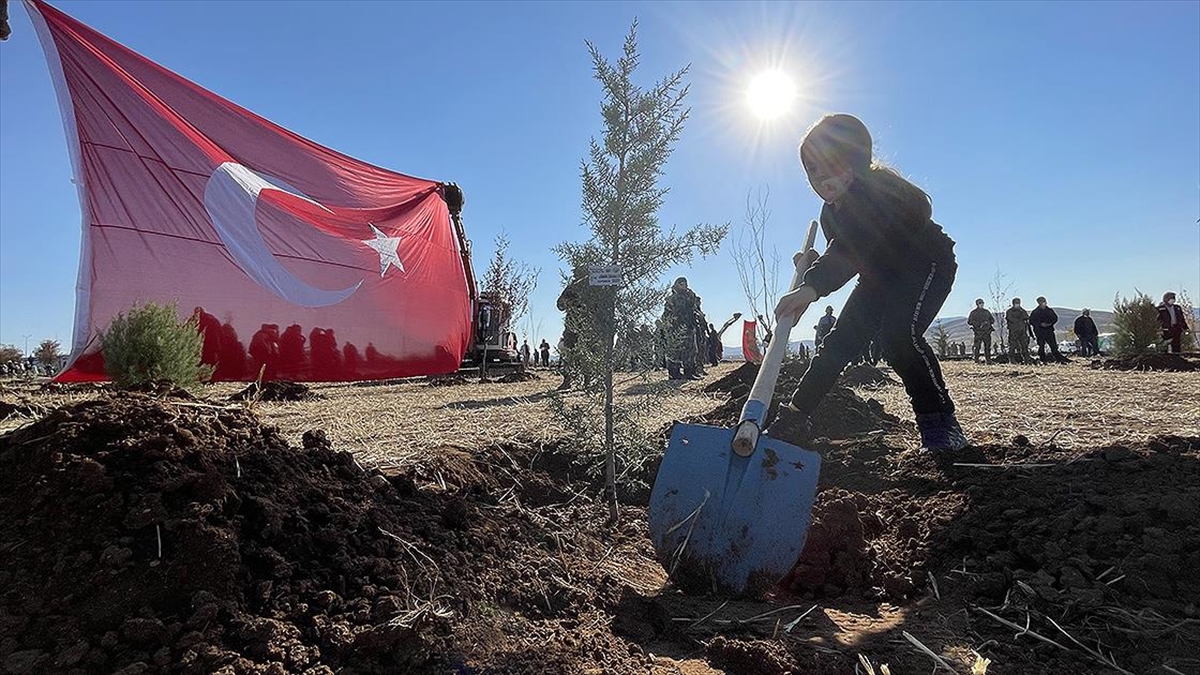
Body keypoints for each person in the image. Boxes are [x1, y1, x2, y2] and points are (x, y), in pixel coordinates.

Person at [771, 114, 967, 451]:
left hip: (924, 265)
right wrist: (812, 267)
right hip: (877, 277)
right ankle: (793, 419)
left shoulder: (879, 189)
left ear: (855, 160)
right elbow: (844, 254)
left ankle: (940, 423)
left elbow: (854, 245)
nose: (820, 177)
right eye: (812, 170)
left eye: (829, 164)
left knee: (898, 337)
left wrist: (813, 285)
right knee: (837, 344)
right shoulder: (830, 213)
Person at [663, 277, 702, 379]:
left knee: (691, 350)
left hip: (689, 327)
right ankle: (674, 373)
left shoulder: (689, 297)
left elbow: (694, 307)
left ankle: (690, 371)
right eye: (681, 284)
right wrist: (669, 326)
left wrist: (691, 295)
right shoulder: (672, 299)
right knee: (675, 350)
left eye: (685, 284)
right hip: (676, 329)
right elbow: (666, 315)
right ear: (676, 285)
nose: (684, 286)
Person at [1029, 297, 1069, 363]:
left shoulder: (1049, 311)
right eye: (1041, 302)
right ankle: (1043, 359)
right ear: (1039, 303)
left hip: (1049, 331)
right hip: (1040, 332)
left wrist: (1049, 323)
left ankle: (1059, 358)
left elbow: (1055, 318)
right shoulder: (1035, 312)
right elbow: (1031, 321)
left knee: (1053, 346)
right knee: (1041, 346)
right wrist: (1040, 324)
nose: (1043, 303)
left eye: (1044, 301)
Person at [1005, 298, 1033, 365]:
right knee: (1012, 346)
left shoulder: (1022, 311)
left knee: (1024, 346)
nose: (1017, 304)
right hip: (1013, 332)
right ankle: (1012, 359)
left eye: (1018, 303)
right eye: (1016, 303)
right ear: (1013, 303)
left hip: (1022, 332)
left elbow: (1027, 317)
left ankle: (1026, 360)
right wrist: (1020, 319)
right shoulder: (1010, 311)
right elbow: (1010, 319)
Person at [967, 298, 995, 364]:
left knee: (987, 347)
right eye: (980, 303)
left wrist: (987, 323)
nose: (982, 304)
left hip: (987, 332)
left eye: (982, 303)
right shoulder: (973, 313)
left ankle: (988, 360)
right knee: (977, 347)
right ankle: (976, 360)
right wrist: (978, 324)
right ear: (977, 304)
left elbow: (992, 320)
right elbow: (969, 321)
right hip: (978, 332)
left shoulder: (986, 312)